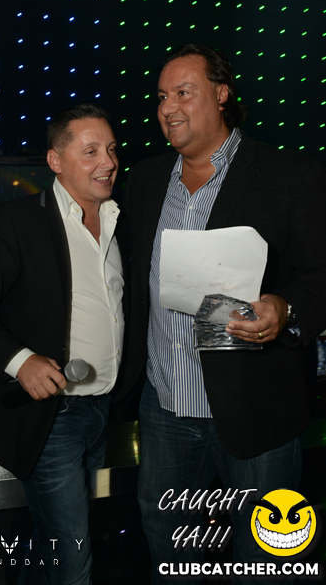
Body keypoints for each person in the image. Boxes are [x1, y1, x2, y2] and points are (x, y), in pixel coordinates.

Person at [123, 44, 326, 582]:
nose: (167, 107)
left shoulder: (290, 175)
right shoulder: (145, 180)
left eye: (183, 92)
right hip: (165, 406)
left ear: (221, 94)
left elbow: (321, 274)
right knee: (169, 549)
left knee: (265, 555)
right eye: (161, 96)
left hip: (256, 406)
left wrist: (285, 308)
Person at [0, 103, 130, 584]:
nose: (108, 162)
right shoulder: (20, 220)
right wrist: (21, 361)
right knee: (73, 557)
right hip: (52, 417)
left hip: (102, 412)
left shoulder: (120, 220)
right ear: (55, 161)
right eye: (91, 151)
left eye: (111, 149)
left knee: (52, 541)